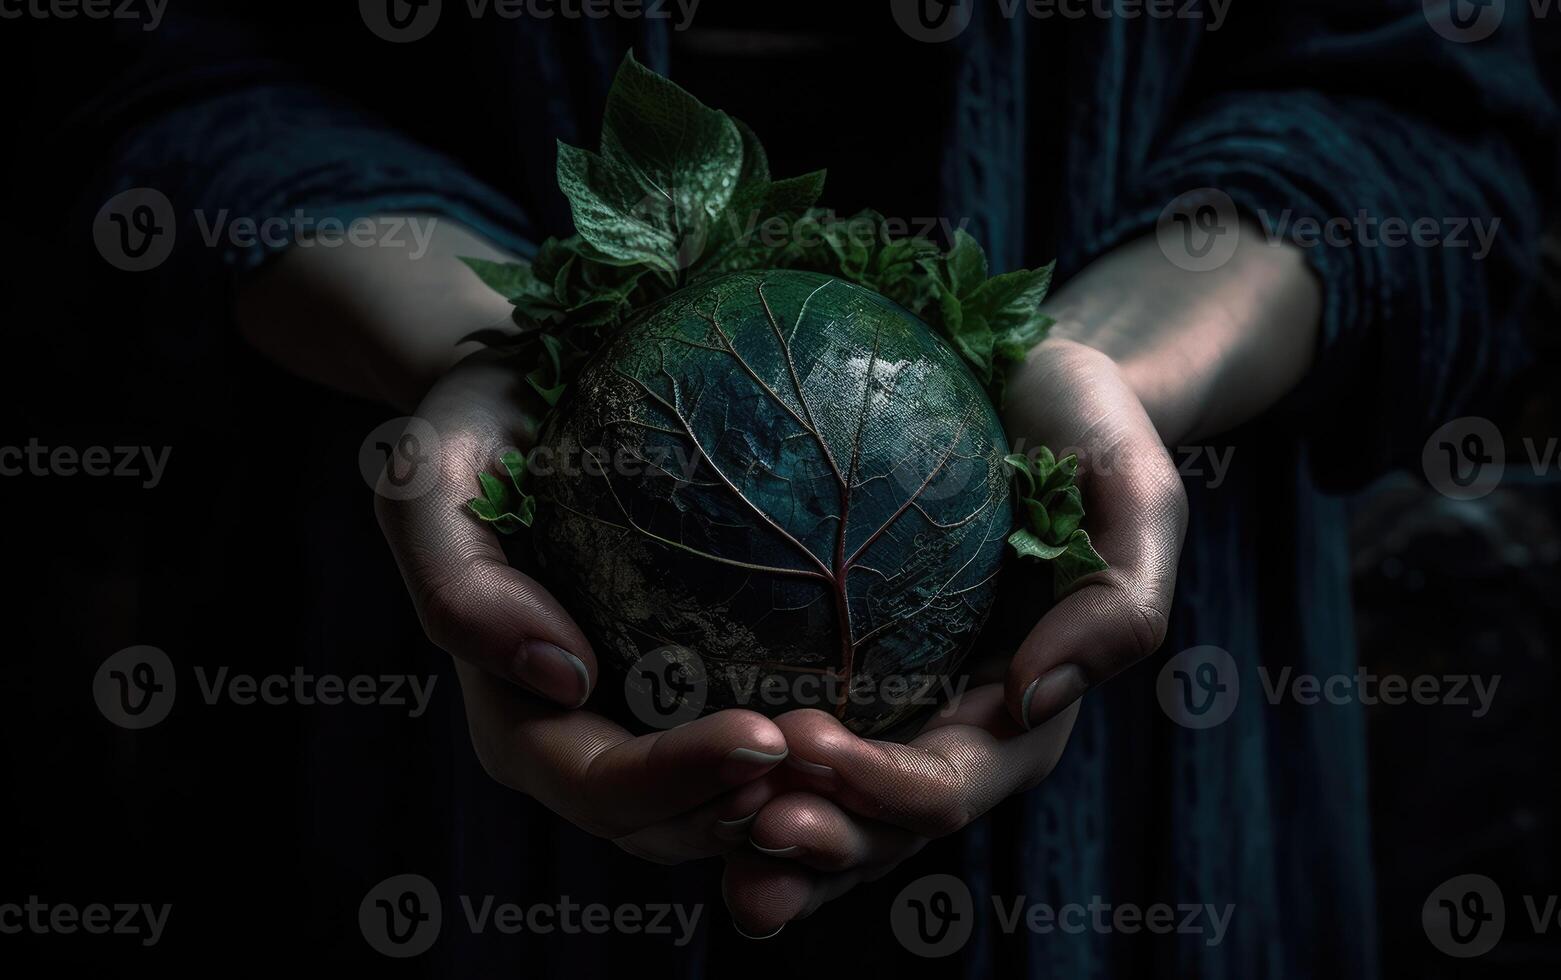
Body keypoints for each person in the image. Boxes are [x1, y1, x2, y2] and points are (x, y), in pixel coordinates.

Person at [33, 3, 1556, 975]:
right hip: (398, 725)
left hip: (1155, 821)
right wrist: (480, 346)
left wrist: (1115, 378)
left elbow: (1434, 102)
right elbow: (144, 75)